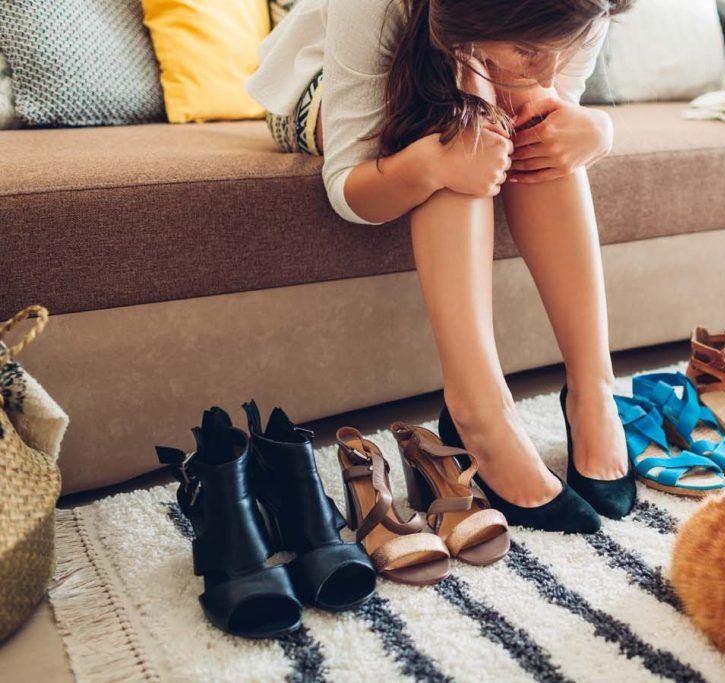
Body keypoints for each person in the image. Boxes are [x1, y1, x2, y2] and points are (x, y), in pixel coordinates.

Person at [247, 0, 637, 532]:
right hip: (317, 84)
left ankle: (594, 389)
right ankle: (479, 411)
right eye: (529, 51)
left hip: (472, 65)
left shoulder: (580, 7)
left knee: (526, 111)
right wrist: (432, 164)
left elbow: (555, 105)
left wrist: (597, 131)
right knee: (462, 119)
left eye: (559, 48)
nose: (549, 66)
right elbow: (348, 188)